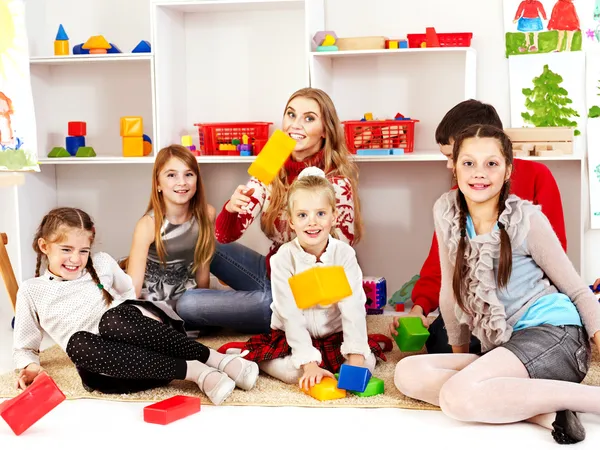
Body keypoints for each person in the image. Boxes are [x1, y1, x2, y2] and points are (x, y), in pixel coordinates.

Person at [394, 124, 600, 444]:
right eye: (468, 163)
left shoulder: (527, 219)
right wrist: (460, 354)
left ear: (507, 171)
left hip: (555, 336)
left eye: (491, 163)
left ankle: (591, 400)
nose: (479, 173)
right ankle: (548, 411)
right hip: (505, 345)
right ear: (454, 167)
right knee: (407, 374)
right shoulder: (447, 212)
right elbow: (449, 291)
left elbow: (576, 290)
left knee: (457, 396)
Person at [13, 207, 258, 405]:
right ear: (45, 246)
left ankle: (215, 360)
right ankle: (194, 371)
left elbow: (128, 294)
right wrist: (32, 367)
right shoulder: (31, 291)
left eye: (83, 250)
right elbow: (24, 348)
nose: (76, 259)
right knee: (77, 343)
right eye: (66, 249)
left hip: (147, 336)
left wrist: (142, 317)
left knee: (111, 320)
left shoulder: (101, 263)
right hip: (119, 369)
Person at [176, 87, 363, 334]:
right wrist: (232, 209)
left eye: (309, 118)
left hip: (304, 298)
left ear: (325, 131)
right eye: (291, 114)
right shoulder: (273, 166)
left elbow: (336, 259)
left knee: (188, 304)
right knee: (203, 240)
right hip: (271, 272)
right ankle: (248, 303)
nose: (295, 125)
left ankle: (262, 309)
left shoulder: (336, 184)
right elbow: (226, 236)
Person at [390, 99, 567, 355]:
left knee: (532, 342)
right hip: (475, 307)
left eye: (453, 157)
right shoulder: (458, 195)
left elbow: (555, 254)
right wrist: (419, 308)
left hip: (525, 304)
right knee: (441, 341)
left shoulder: (538, 176)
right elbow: (441, 265)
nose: (450, 166)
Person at [241, 168, 385, 388]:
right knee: (293, 374)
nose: (312, 222)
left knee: (367, 362)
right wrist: (308, 363)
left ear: (334, 216)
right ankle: (273, 363)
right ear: (291, 221)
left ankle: (342, 360)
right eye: (302, 215)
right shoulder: (283, 259)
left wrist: (356, 355)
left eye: (320, 213)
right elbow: (290, 314)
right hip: (294, 335)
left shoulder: (343, 254)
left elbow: (353, 306)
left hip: (334, 336)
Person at [124, 145, 215, 334]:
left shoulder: (207, 214)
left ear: (197, 180)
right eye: (171, 175)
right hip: (153, 299)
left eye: (189, 174)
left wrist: (207, 303)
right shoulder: (147, 225)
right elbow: (132, 287)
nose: (182, 182)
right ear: (158, 183)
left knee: (210, 316)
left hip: (187, 298)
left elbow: (203, 268)